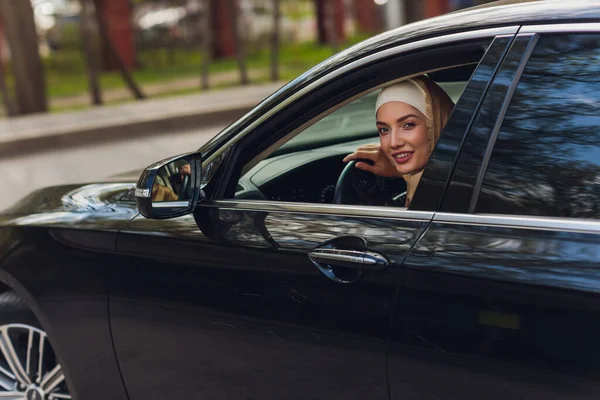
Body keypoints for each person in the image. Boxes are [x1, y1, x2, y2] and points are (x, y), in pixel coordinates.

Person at [343, 75, 454, 207]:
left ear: (437, 123)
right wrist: (402, 173)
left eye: (408, 125)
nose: (394, 143)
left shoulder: (446, 198)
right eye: (384, 130)